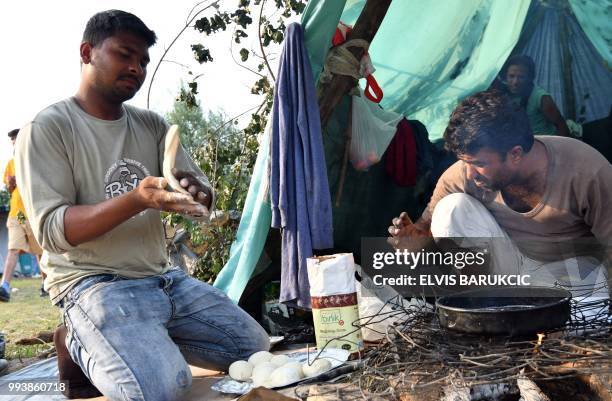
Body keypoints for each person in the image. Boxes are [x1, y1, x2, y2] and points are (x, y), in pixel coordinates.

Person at [15, 10, 268, 401]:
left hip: (164, 279)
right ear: (87, 52)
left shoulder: (152, 125)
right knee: (160, 388)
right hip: (93, 283)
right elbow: (53, 231)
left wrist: (198, 194)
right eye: (124, 54)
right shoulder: (48, 128)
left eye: (143, 61)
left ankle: (144, 336)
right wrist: (136, 199)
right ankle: (77, 339)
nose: (136, 67)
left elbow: (197, 186)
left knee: (255, 350)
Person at [388, 90, 611, 300]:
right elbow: (425, 231)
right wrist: (413, 243)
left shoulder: (586, 170)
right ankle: (483, 310)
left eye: (479, 163)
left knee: (584, 325)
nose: (469, 172)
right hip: (513, 269)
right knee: (451, 209)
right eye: (464, 161)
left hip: (576, 273)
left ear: (515, 154)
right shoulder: (463, 174)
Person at [1, 129, 44, 302]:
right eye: (12, 139)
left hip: (33, 213)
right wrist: (11, 183)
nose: (14, 141)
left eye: (16, 138)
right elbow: (11, 189)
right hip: (18, 213)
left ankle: (46, 284)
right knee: (13, 248)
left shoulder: (34, 161)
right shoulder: (11, 163)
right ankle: (4, 286)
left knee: (40, 251)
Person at [490, 54, 570, 137]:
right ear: (505, 76)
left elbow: (562, 126)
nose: (515, 82)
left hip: (543, 143)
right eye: (511, 76)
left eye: (521, 77)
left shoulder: (541, 98)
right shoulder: (503, 92)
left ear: (529, 78)